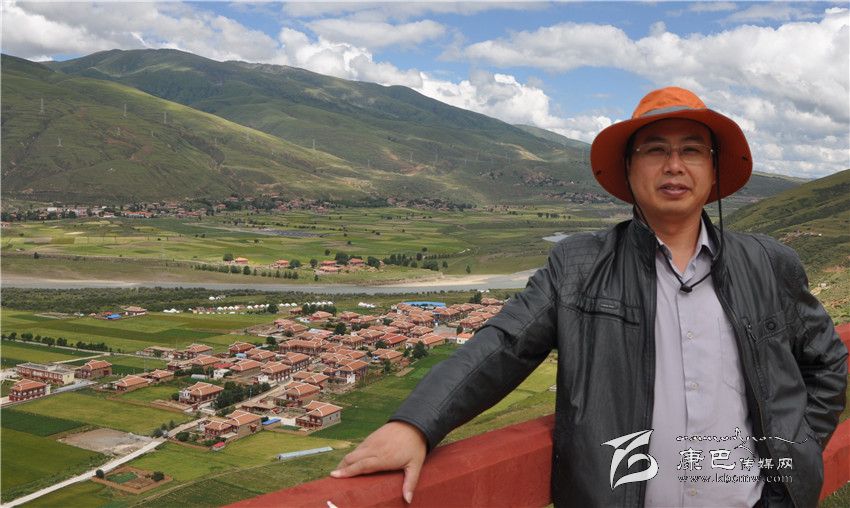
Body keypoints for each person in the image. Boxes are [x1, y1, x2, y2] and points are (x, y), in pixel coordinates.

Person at [330, 87, 848, 507]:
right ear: (628, 169)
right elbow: (504, 344)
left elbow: (826, 363)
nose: (674, 165)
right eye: (655, 150)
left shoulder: (770, 264)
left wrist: (796, 451)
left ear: (713, 171)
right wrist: (416, 423)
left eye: (691, 150)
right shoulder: (577, 266)